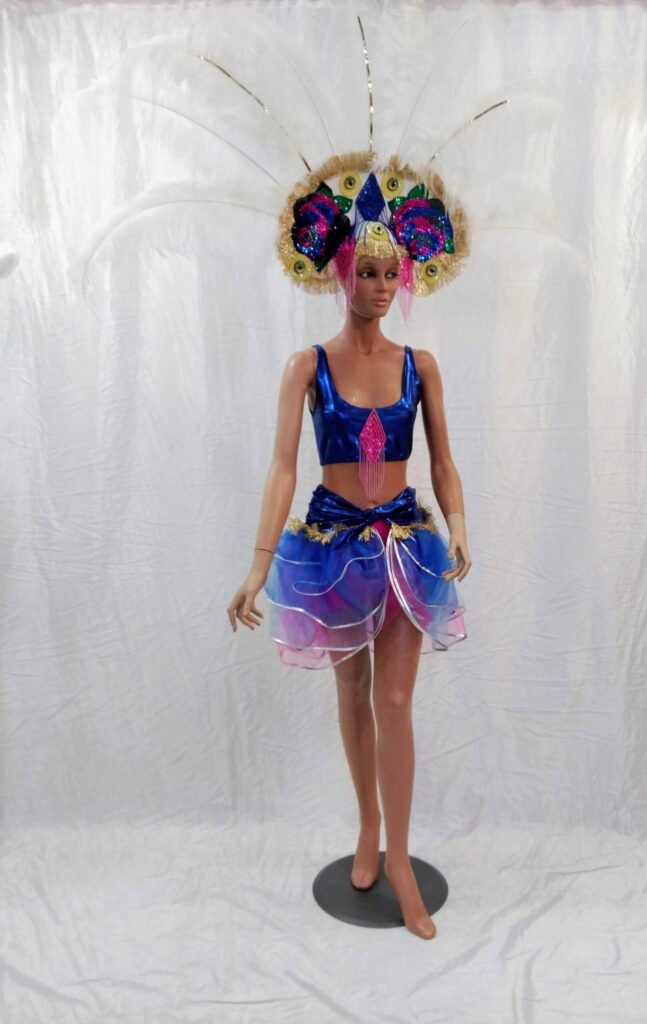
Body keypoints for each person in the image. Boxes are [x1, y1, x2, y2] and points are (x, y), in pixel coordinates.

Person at [227, 158, 471, 940]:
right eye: (367, 272)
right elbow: (282, 467)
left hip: (402, 545)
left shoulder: (419, 366)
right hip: (331, 546)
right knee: (352, 694)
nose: (379, 286)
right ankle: (367, 826)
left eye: (390, 273)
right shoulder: (308, 368)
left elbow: (441, 460)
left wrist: (458, 522)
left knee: (394, 700)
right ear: (340, 273)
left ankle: (400, 859)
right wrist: (259, 564)